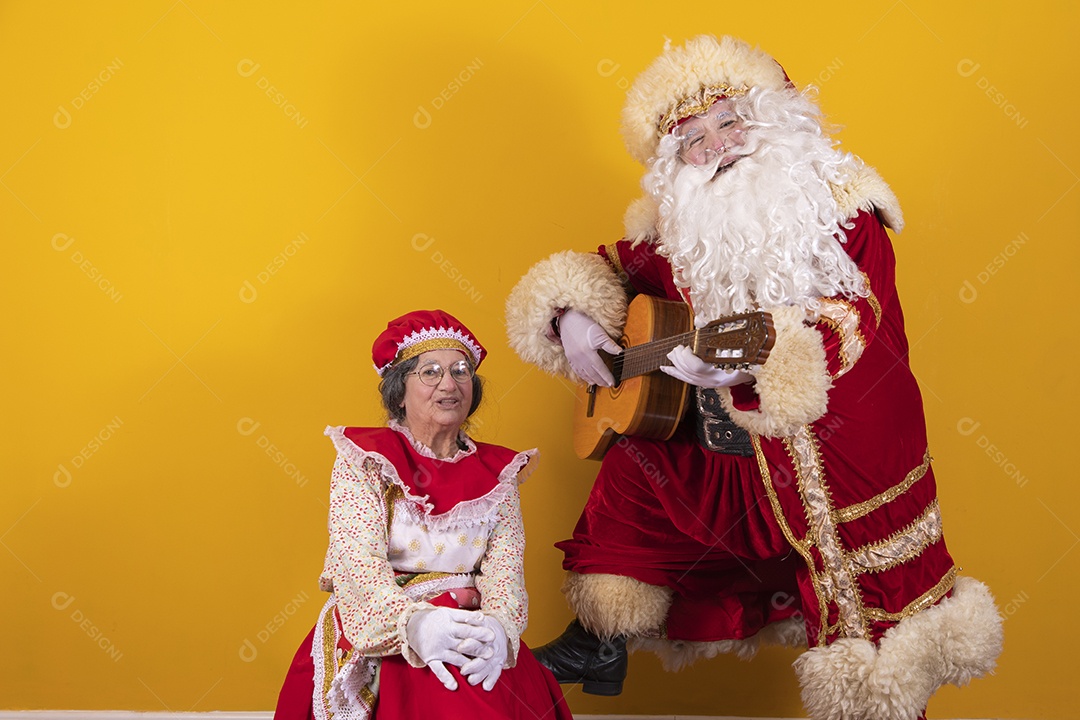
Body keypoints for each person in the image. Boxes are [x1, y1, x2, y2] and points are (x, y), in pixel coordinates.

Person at [505, 35, 1003, 720]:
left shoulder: (844, 206)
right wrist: (571, 317)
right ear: (675, 161)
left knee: (870, 623)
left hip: (839, 445)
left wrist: (765, 350)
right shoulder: (680, 227)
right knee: (638, 475)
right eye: (694, 138)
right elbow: (613, 274)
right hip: (736, 456)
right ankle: (601, 638)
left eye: (730, 121)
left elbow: (858, 314)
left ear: (769, 117)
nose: (719, 145)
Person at [273, 309, 573, 720]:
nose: (449, 384)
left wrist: (500, 630)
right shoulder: (365, 461)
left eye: (461, 371)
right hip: (393, 624)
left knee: (509, 691)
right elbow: (356, 562)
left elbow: (505, 567)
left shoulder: (499, 473)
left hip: (472, 623)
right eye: (430, 372)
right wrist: (414, 627)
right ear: (399, 391)